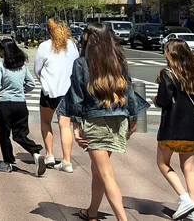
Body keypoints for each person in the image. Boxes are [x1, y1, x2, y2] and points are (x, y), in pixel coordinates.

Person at [64, 23, 150, 221]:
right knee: (98, 170)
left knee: (105, 173)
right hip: (118, 119)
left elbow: (76, 97)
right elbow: (128, 91)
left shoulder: (81, 63)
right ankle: (92, 212)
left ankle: (122, 218)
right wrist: (133, 118)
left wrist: (76, 126)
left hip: (95, 122)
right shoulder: (118, 61)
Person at [154, 39, 194, 221]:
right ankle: (193, 212)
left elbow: (163, 101)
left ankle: (184, 198)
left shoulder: (168, 73)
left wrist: (156, 99)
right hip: (192, 128)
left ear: (171, 54)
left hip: (172, 127)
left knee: (163, 163)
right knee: (189, 169)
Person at [0, 38, 46, 176]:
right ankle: (35, 152)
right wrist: (21, 92)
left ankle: (7, 163)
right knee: (20, 134)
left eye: (0, 49)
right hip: (20, 104)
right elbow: (31, 83)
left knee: (4, 134)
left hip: (4, 103)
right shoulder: (22, 66)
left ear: (3, 52)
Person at [34, 19, 78, 172]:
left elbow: (37, 69)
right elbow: (77, 65)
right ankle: (67, 161)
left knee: (46, 122)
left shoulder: (45, 46)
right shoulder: (72, 46)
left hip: (49, 90)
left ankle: (50, 154)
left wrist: (43, 81)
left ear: (49, 30)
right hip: (67, 91)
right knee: (65, 126)